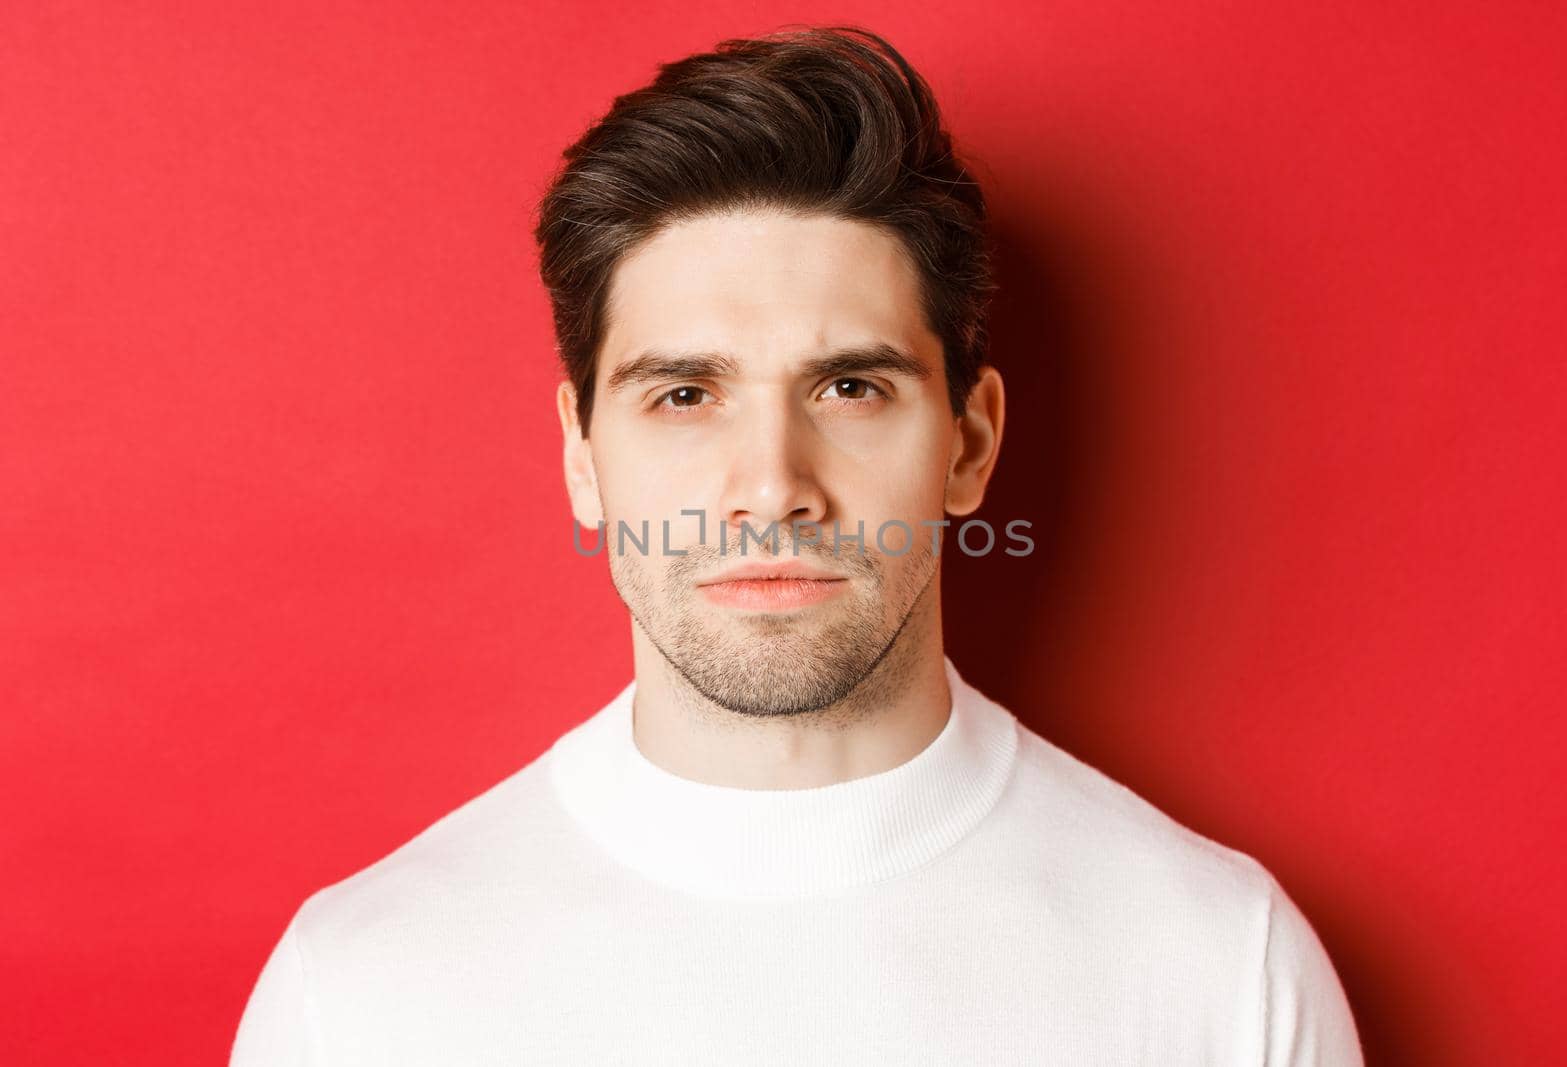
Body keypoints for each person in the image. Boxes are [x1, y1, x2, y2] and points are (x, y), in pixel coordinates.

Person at [230, 24, 1364, 1066]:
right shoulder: (363, 993)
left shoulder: (1220, 968)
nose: (771, 487)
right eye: (683, 394)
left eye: (852, 386)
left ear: (970, 445)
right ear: (583, 455)